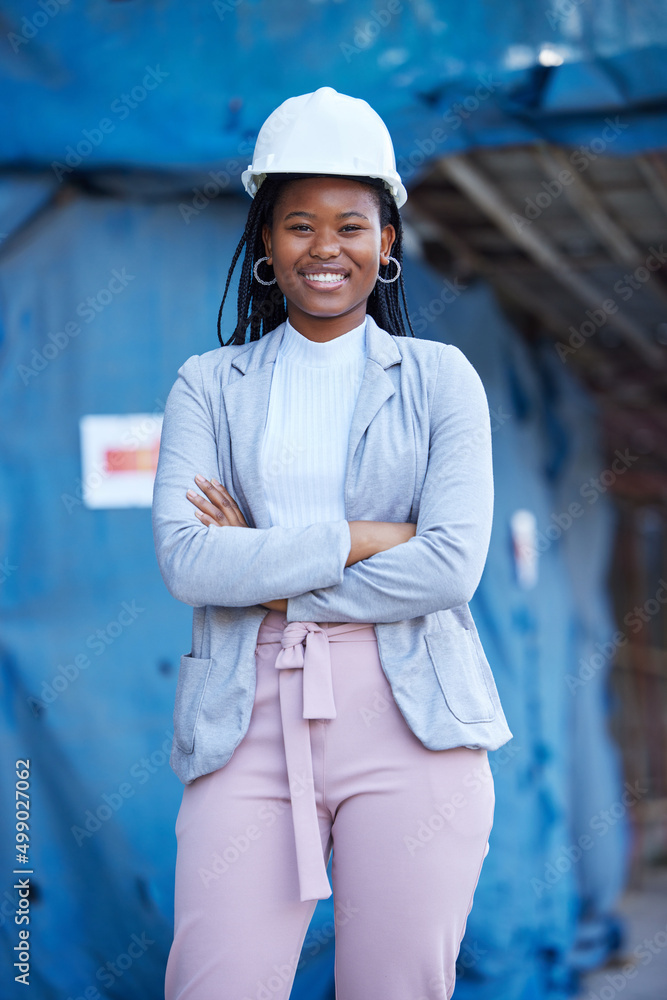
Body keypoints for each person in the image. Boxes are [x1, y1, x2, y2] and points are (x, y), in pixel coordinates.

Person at [152, 86, 513, 1000]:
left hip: (413, 723)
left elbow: (448, 566)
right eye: (298, 224)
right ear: (266, 241)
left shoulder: (441, 382)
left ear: (386, 241)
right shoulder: (208, 385)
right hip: (246, 721)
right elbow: (189, 561)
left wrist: (266, 573)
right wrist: (361, 537)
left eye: (350, 224)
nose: (325, 249)